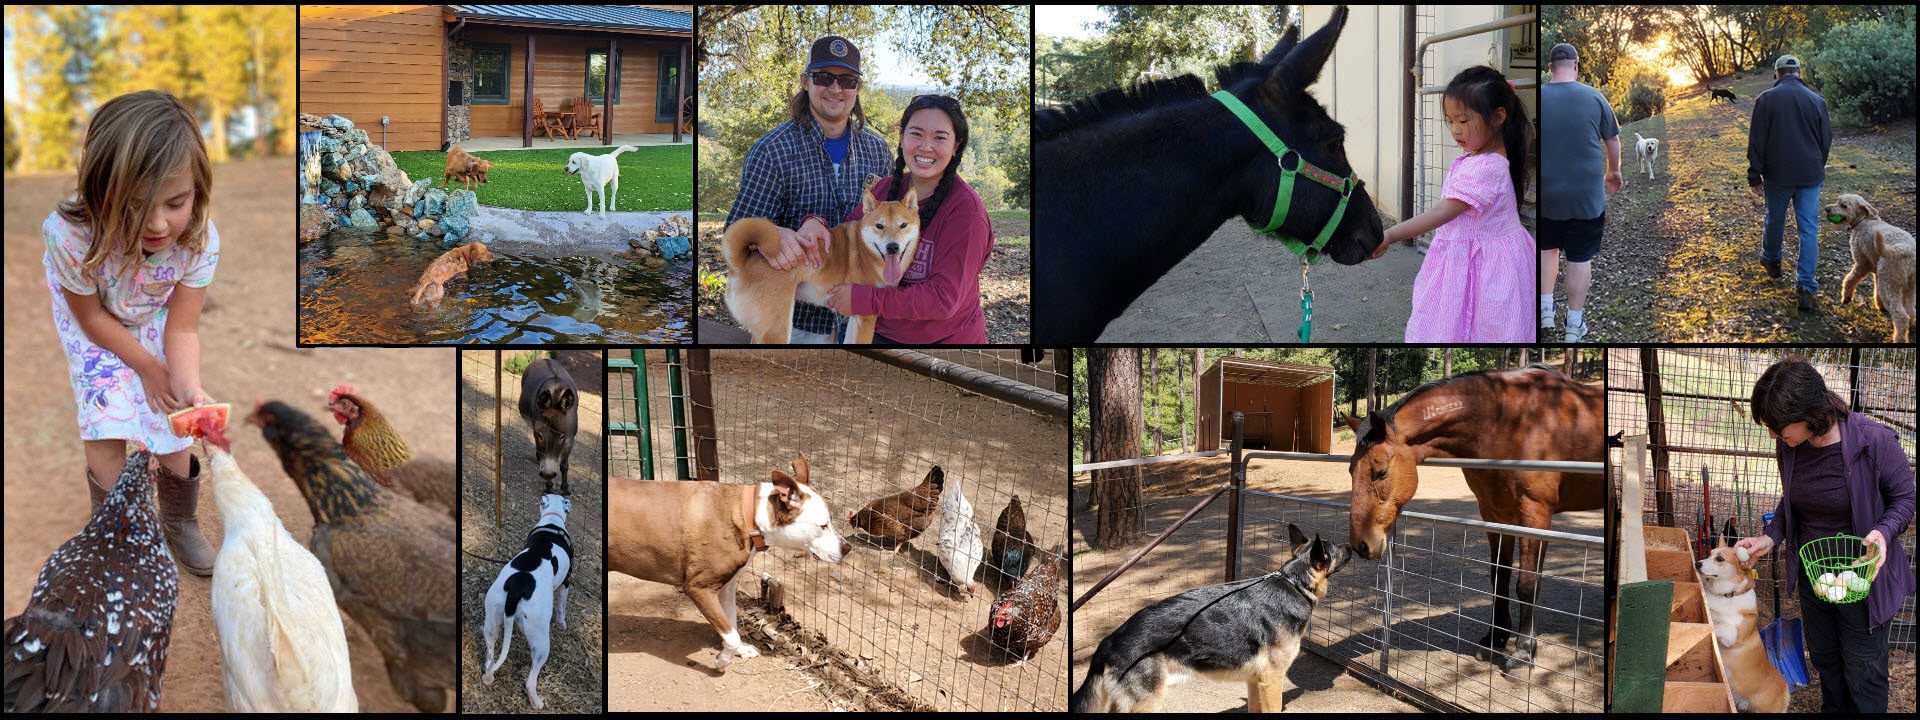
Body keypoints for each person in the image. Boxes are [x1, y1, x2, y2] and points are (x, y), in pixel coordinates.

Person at [43, 89, 221, 575]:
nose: (158, 223)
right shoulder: (69, 236)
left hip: (154, 313)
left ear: (197, 190)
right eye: (133, 206)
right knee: (107, 413)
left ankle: (179, 521)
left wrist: (183, 382)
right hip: (95, 320)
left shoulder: (199, 239)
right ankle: (117, 532)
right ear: (99, 193)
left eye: (176, 202)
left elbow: (182, 326)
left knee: (170, 412)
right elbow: (93, 319)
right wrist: (143, 366)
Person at [1735, 357, 1914, 714]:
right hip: (1816, 577)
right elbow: (1795, 501)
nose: (1772, 435)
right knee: (1827, 661)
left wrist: (1882, 531)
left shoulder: (1873, 441)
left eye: (1777, 426)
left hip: (1863, 580)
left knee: (1864, 672)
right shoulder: (1790, 446)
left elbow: (1906, 498)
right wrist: (1771, 537)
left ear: (1808, 414)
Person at [725, 34, 892, 342]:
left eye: (847, 80)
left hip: (857, 319)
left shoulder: (878, 150)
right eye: (824, 77)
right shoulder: (772, 149)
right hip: (795, 322)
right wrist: (778, 235)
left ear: (858, 88)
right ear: (805, 81)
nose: (835, 89)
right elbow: (738, 235)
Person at [1371, 65, 1532, 342]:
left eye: (1464, 121)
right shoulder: (1484, 157)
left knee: (1473, 326)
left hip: (1481, 267)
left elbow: (1442, 212)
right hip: (1485, 258)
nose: (1455, 130)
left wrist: (1391, 234)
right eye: (1450, 121)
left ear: (1498, 117)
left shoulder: (1485, 167)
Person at [822, 95, 992, 343]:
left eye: (940, 137)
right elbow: (845, 240)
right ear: (902, 137)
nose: (926, 146)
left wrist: (862, 299)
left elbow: (943, 300)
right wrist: (814, 222)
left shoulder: (967, 214)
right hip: (875, 329)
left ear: (956, 146)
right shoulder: (884, 191)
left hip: (943, 343)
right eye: (917, 134)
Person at [1538, 43, 1621, 342]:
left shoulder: (1539, 97)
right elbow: (1612, 139)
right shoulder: (1594, 96)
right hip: (1585, 196)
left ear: (1550, 68)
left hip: (1547, 195)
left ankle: (1545, 308)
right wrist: (1614, 171)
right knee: (1579, 257)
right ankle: (1573, 325)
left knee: (1548, 248)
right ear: (1576, 65)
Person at [1746, 54, 1832, 313]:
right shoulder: (1818, 101)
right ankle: (1806, 287)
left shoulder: (1765, 100)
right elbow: (1825, 140)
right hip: (1810, 175)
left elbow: (1756, 140)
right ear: (1799, 72)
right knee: (1808, 229)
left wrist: (1754, 173)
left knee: (1775, 219)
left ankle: (1772, 260)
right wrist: (1818, 164)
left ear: (1777, 73)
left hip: (1778, 175)